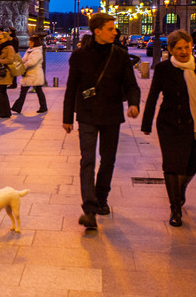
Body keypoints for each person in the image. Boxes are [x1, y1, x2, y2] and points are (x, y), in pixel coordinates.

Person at [141, 30, 196, 227]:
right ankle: (175, 207)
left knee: (193, 165)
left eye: (186, 47)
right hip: (170, 124)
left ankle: (180, 190)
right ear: (170, 50)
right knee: (171, 166)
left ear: (191, 47)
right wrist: (146, 124)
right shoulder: (164, 68)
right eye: (178, 48)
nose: (183, 52)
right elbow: (153, 95)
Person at [63, 13, 140, 230]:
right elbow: (71, 89)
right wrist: (67, 117)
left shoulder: (120, 55)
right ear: (98, 31)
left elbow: (132, 85)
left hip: (111, 114)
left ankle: (101, 197)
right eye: (111, 28)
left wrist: (133, 103)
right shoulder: (79, 56)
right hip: (87, 113)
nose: (115, 32)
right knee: (87, 160)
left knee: (108, 159)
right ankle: (89, 209)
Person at [11, 35, 48, 114]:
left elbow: (32, 62)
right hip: (29, 74)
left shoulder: (37, 51)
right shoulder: (29, 50)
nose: (29, 43)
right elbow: (25, 59)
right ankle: (17, 107)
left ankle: (43, 107)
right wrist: (19, 60)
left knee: (38, 91)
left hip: (34, 74)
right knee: (25, 91)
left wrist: (23, 66)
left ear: (35, 42)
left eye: (31, 42)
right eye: (29, 41)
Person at [0, 31, 16, 118]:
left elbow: (10, 60)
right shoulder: (3, 47)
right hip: (1, 72)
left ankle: (3, 112)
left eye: (0, 39)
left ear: (6, 38)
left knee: (0, 91)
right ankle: (5, 112)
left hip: (5, 72)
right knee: (2, 92)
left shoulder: (9, 47)